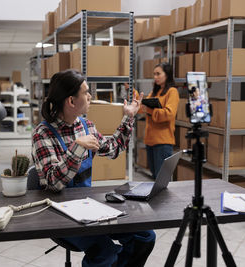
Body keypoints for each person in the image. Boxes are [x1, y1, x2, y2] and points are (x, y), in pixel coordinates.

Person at [32, 69, 155, 267]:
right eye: (86, 92)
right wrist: (78, 148)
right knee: (105, 252)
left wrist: (128, 117)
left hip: (88, 207)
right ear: (71, 101)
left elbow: (113, 149)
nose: (90, 96)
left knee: (145, 236)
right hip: (58, 214)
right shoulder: (43, 134)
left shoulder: (86, 125)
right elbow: (53, 183)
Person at [141, 62, 179, 180]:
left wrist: (151, 111)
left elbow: (169, 114)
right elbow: (143, 109)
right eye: (154, 74)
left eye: (158, 74)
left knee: (162, 180)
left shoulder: (172, 92)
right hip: (150, 141)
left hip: (163, 142)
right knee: (154, 179)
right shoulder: (154, 93)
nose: (155, 77)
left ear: (167, 75)